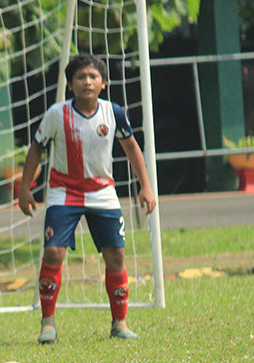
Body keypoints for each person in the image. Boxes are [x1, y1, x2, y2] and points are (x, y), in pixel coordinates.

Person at [18, 53, 157, 343]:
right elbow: (36, 149)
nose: (87, 82)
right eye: (80, 77)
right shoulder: (57, 114)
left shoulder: (114, 112)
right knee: (54, 252)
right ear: (70, 84)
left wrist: (145, 186)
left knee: (116, 255)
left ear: (103, 83)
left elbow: (132, 148)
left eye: (93, 77)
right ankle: (47, 322)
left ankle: (119, 323)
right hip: (63, 192)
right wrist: (24, 187)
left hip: (103, 192)